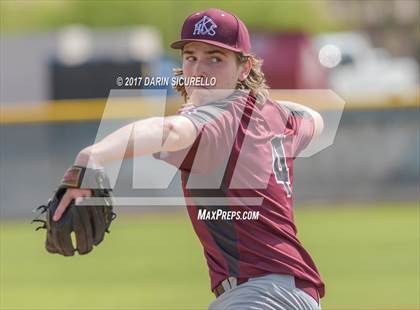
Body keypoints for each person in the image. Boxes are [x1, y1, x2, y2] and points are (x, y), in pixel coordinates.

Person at [53, 8, 325, 310]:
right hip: (292, 293)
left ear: (244, 68)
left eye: (215, 58)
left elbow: (169, 129)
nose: (199, 70)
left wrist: (93, 155)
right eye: (191, 57)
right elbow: (314, 118)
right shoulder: (271, 115)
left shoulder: (218, 115)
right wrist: (266, 105)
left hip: (260, 296)